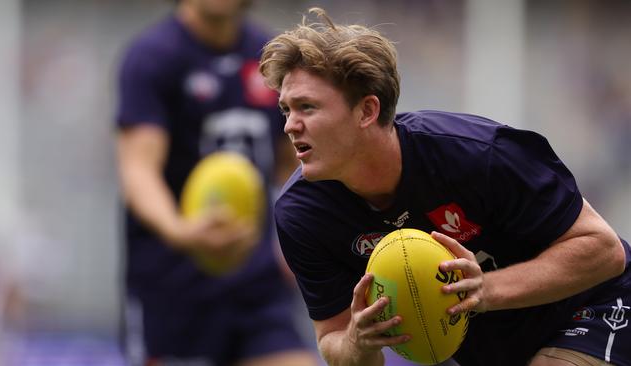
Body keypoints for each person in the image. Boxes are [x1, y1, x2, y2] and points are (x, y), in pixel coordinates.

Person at [260, 7, 631, 366]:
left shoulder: (478, 154)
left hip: (597, 307)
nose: (290, 125)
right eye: (286, 110)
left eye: (307, 107)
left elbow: (604, 251)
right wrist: (357, 342)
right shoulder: (301, 213)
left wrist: (485, 289)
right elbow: (333, 340)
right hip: (498, 349)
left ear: (366, 111)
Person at [114, 1, 319, 365]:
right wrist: (181, 231)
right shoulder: (153, 57)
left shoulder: (272, 57)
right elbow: (138, 171)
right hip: (172, 286)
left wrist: (299, 243)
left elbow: (295, 165)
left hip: (255, 283)